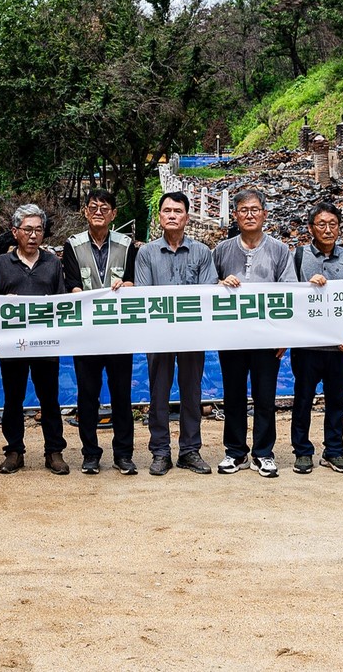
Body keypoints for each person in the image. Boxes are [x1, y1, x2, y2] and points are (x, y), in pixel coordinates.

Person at [212, 189, 297, 478]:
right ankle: (235, 452)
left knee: (265, 396)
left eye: (255, 209)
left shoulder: (279, 250)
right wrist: (221, 283)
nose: (249, 215)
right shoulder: (222, 250)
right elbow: (207, 286)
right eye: (243, 210)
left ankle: (264, 452)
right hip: (232, 337)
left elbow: (289, 293)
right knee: (233, 395)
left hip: (267, 337)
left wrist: (284, 334)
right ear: (235, 215)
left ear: (264, 214)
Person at [135, 191, 217, 476]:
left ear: (187, 217)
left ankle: (189, 450)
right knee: (158, 393)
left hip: (193, 335)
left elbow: (207, 293)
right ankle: (160, 451)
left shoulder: (202, 252)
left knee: (192, 392)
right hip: (158, 336)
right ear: (160, 216)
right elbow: (144, 295)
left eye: (177, 211)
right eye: (167, 210)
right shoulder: (146, 253)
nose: (172, 215)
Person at [62, 189, 139, 474]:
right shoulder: (73, 245)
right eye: (93, 207)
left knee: (122, 395)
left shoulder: (127, 245)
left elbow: (133, 281)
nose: (98, 212)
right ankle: (90, 454)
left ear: (113, 214)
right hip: (87, 335)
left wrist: (128, 286)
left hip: (119, 334)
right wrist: (79, 294)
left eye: (104, 208)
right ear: (85, 211)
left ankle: (123, 454)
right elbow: (71, 283)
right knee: (87, 396)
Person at [0, 203, 69, 475]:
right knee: (13, 398)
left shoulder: (53, 263)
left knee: (50, 399)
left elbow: (62, 302)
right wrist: (4, 303)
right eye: (27, 229)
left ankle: (54, 451)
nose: (33, 235)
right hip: (12, 345)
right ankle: (14, 451)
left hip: (46, 344)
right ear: (15, 232)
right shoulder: (0, 264)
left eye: (39, 230)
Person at [290, 201, 343, 475]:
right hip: (307, 345)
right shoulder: (298, 256)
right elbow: (288, 295)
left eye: (333, 224)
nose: (328, 230)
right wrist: (306, 287)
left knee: (337, 401)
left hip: (340, 346)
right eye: (321, 224)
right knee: (303, 399)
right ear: (310, 228)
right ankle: (302, 451)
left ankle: (334, 451)